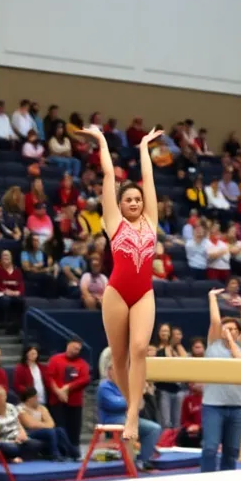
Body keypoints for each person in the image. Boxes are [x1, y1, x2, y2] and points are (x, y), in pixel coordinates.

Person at [79, 123, 164, 442]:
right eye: (128, 199)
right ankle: (132, 408)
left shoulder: (151, 222)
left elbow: (150, 181)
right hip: (116, 293)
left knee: (140, 348)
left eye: (137, 199)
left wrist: (143, 148)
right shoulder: (113, 223)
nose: (133, 202)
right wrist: (101, 140)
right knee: (118, 357)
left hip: (143, 293)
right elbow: (108, 177)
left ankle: (132, 414)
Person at [201, 289, 241, 472]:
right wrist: (212, 298)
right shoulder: (213, 345)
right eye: (227, 329)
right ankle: (205, 479)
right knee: (210, 448)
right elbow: (215, 320)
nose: (230, 331)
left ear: (238, 333)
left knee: (232, 451)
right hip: (213, 406)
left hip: (235, 406)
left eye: (233, 329)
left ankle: (227, 480)